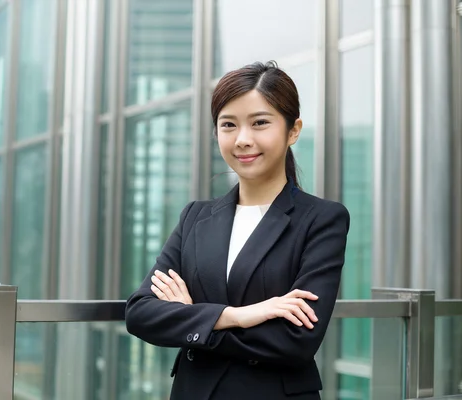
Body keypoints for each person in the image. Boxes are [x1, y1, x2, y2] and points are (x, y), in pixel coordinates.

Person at [125, 61, 350, 400]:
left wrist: (193, 318)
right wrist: (238, 316)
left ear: (293, 130)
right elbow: (141, 313)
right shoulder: (195, 217)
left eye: (260, 123)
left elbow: (296, 341)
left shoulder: (321, 219)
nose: (243, 140)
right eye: (228, 124)